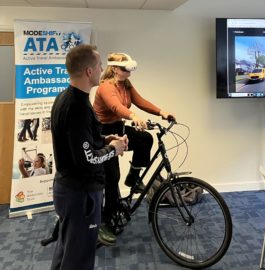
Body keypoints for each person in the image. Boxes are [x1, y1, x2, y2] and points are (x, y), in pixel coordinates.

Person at [50, 44, 128, 270]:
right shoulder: (78, 107)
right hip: (80, 193)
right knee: (79, 257)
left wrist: (104, 140)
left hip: (68, 189)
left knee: (67, 248)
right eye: (99, 64)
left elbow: (76, 142)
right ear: (89, 72)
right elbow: (87, 159)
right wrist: (113, 150)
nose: (103, 68)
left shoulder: (65, 98)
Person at [93, 52, 175, 244]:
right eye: (125, 69)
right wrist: (132, 116)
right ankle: (104, 223)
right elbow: (114, 106)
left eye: (130, 69)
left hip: (118, 128)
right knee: (112, 177)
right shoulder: (106, 87)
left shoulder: (126, 85)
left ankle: (133, 177)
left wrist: (162, 112)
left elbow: (141, 101)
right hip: (102, 134)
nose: (128, 72)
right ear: (114, 69)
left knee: (145, 139)